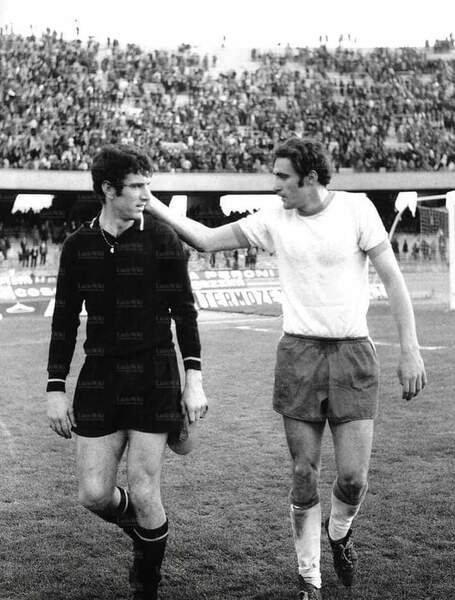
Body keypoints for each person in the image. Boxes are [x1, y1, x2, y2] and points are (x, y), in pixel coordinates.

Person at [144, 137, 426, 600]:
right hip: (298, 354)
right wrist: (152, 201)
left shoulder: (357, 210)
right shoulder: (274, 219)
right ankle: (309, 578)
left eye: (282, 177)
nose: (274, 185)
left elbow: (393, 279)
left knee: (353, 479)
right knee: (303, 472)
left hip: (353, 352)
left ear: (309, 177)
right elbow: (206, 239)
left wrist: (409, 349)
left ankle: (339, 533)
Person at [46, 144, 208, 600]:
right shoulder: (78, 246)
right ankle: (146, 533)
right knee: (94, 494)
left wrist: (194, 380)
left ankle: (146, 582)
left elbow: (185, 312)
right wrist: (55, 388)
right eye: (136, 186)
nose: (145, 195)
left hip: (154, 373)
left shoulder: (162, 238)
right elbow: (64, 321)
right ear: (108, 189)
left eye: (147, 185)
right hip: (100, 376)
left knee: (144, 487)